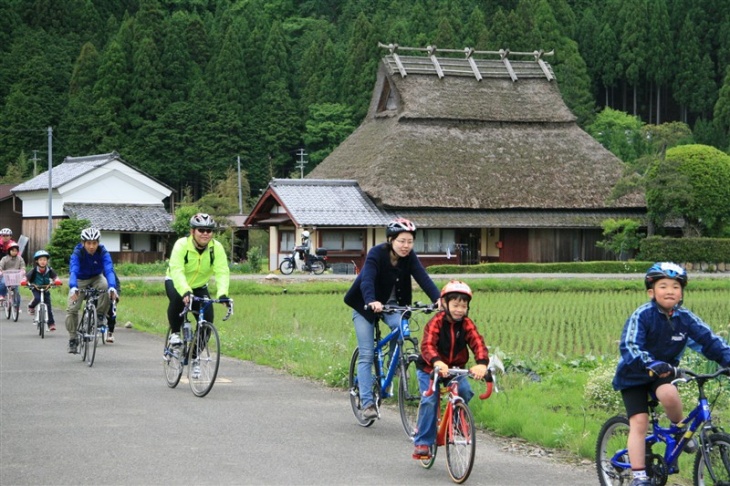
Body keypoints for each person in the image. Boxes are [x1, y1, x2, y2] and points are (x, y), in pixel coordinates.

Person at [612, 262, 730, 486]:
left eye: (675, 287)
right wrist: (650, 362)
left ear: (682, 292)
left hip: (662, 373)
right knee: (639, 422)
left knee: (670, 395)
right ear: (651, 292)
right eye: (663, 286)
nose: (670, 291)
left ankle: (678, 432)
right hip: (634, 375)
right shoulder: (643, 315)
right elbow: (630, 345)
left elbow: (709, 341)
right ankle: (639, 476)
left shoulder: (686, 318)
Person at [344, 218, 441, 421]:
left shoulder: (409, 257)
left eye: (410, 241)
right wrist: (371, 301)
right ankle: (368, 402)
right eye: (401, 241)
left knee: (403, 329)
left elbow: (423, 278)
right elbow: (367, 278)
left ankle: (395, 364)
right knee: (367, 353)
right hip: (365, 305)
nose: (406, 246)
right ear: (391, 240)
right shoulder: (376, 254)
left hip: (394, 305)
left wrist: (438, 299)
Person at [411, 280, 490, 459]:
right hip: (430, 369)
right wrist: (437, 362)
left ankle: (456, 422)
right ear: (445, 304)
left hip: (455, 369)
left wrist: (482, 363)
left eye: (463, 306)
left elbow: (478, 342)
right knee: (430, 400)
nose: (459, 310)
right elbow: (428, 345)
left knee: (465, 390)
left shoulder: (467, 324)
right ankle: (422, 441)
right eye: (455, 305)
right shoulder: (435, 323)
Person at [165, 213, 230, 377]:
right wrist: (185, 290)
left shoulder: (217, 248)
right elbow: (177, 270)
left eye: (209, 230)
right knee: (179, 299)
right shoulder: (182, 245)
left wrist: (222, 293)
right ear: (192, 231)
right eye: (201, 230)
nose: (205, 234)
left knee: (207, 321)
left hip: (200, 286)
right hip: (175, 281)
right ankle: (174, 333)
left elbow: (222, 271)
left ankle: (193, 357)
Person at [66, 228, 118, 354]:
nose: (91, 246)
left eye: (94, 243)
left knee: (105, 285)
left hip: (96, 277)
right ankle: (73, 339)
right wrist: (73, 287)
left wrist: (112, 286)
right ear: (83, 242)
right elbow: (74, 270)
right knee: (72, 309)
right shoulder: (78, 252)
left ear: (98, 243)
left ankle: (100, 316)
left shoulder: (102, 251)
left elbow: (109, 269)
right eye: (88, 243)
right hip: (80, 280)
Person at [24, 250, 62, 331]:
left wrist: (57, 281)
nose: (43, 262)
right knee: (37, 298)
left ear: (47, 261)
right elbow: (26, 277)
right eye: (40, 260)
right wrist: (24, 281)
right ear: (37, 261)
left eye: (44, 260)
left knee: (48, 307)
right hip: (36, 287)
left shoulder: (49, 270)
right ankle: (31, 306)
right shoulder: (34, 270)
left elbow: (55, 277)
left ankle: (51, 324)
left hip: (46, 288)